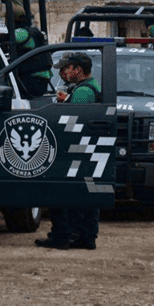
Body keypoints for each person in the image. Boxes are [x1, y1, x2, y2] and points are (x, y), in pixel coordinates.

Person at [34, 52, 101, 250]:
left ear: (77, 70)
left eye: (65, 69)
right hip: (84, 148)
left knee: (63, 192)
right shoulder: (85, 88)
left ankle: (64, 236)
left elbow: (72, 122)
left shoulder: (83, 92)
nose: (61, 73)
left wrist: (60, 107)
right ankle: (84, 237)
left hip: (76, 149)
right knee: (84, 195)